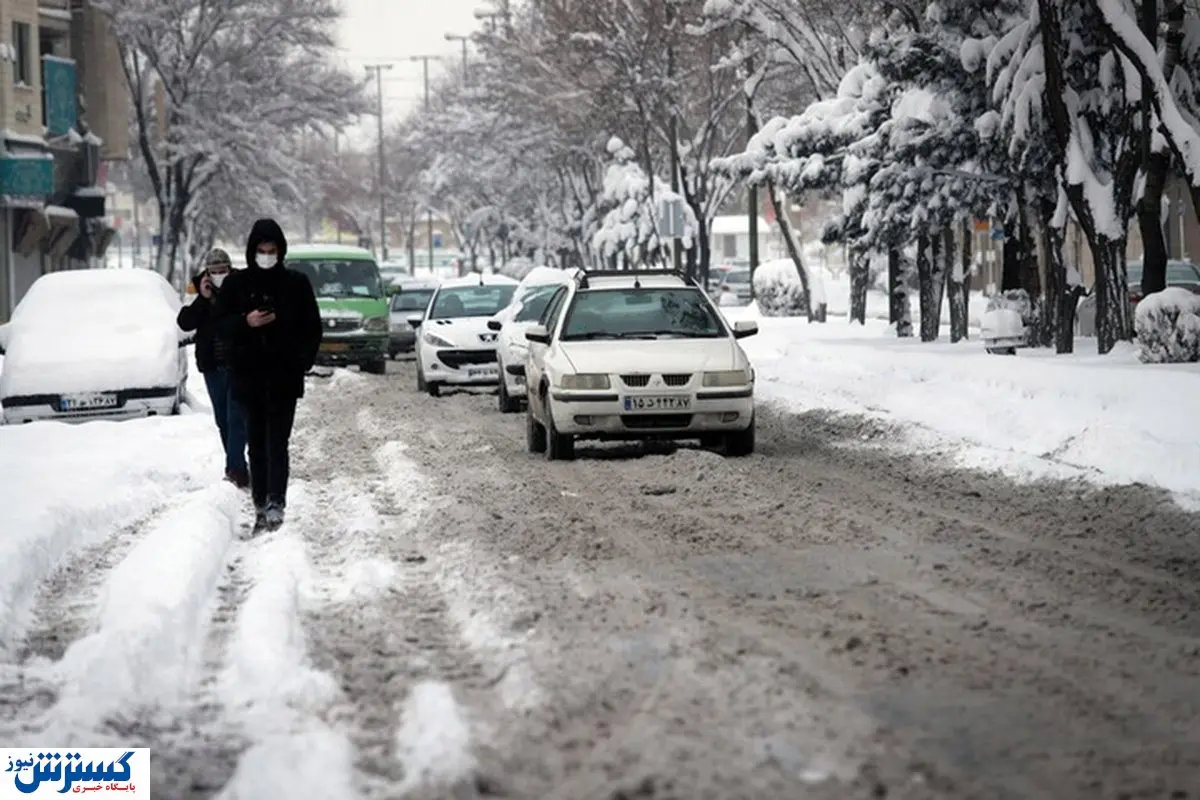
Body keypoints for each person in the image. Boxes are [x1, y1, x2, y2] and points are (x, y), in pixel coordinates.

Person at [216, 219, 322, 533]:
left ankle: (277, 502)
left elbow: (312, 326)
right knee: (256, 444)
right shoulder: (236, 285)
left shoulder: (295, 284)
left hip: (283, 377)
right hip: (248, 377)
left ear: (280, 250)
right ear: (251, 251)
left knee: (278, 443)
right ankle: (260, 503)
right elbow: (220, 325)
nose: (266, 255)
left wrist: (301, 359)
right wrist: (245, 322)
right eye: (261, 250)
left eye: (271, 250)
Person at [177, 248, 249, 488]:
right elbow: (185, 321)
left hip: (239, 362)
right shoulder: (197, 287)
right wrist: (203, 298)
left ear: (230, 269)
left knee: (236, 416)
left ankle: (235, 469)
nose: (219, 275)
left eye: (223, 271)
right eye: (214, 271)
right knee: (223, 419)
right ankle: (238, 463)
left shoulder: (242, 284)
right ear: (207, 272)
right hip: (211, 365)